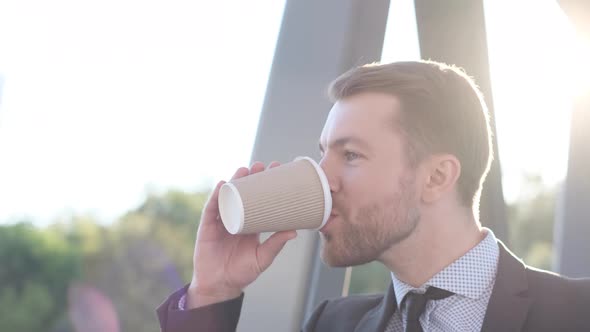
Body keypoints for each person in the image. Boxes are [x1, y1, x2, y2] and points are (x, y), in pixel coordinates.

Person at [156, 61, 590, 332]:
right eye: (322, 152)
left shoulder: (577, 313)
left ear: (437, 177)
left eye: (350, 155)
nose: (321, 178)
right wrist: (212, 292)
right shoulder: (333, 325)